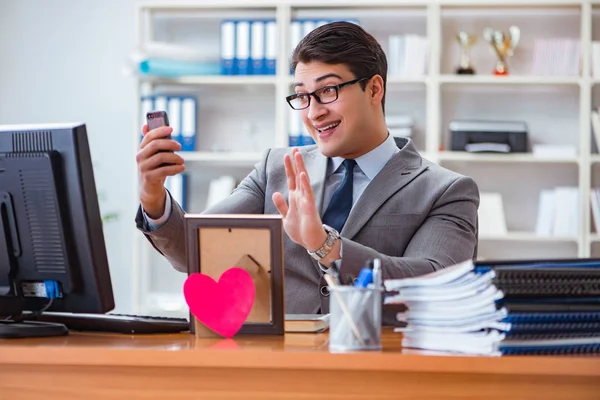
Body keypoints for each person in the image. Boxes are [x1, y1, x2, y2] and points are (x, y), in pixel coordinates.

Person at [135, 21, 479, 316]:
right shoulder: (275, 169)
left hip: (381, 371)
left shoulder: (446, 190)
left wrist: (326, 245)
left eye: (328, 91)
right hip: (283, 374)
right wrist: (153, 197)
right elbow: (195, 250)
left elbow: (434, 282)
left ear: (374, 89)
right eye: (303, 96)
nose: (313, 113)